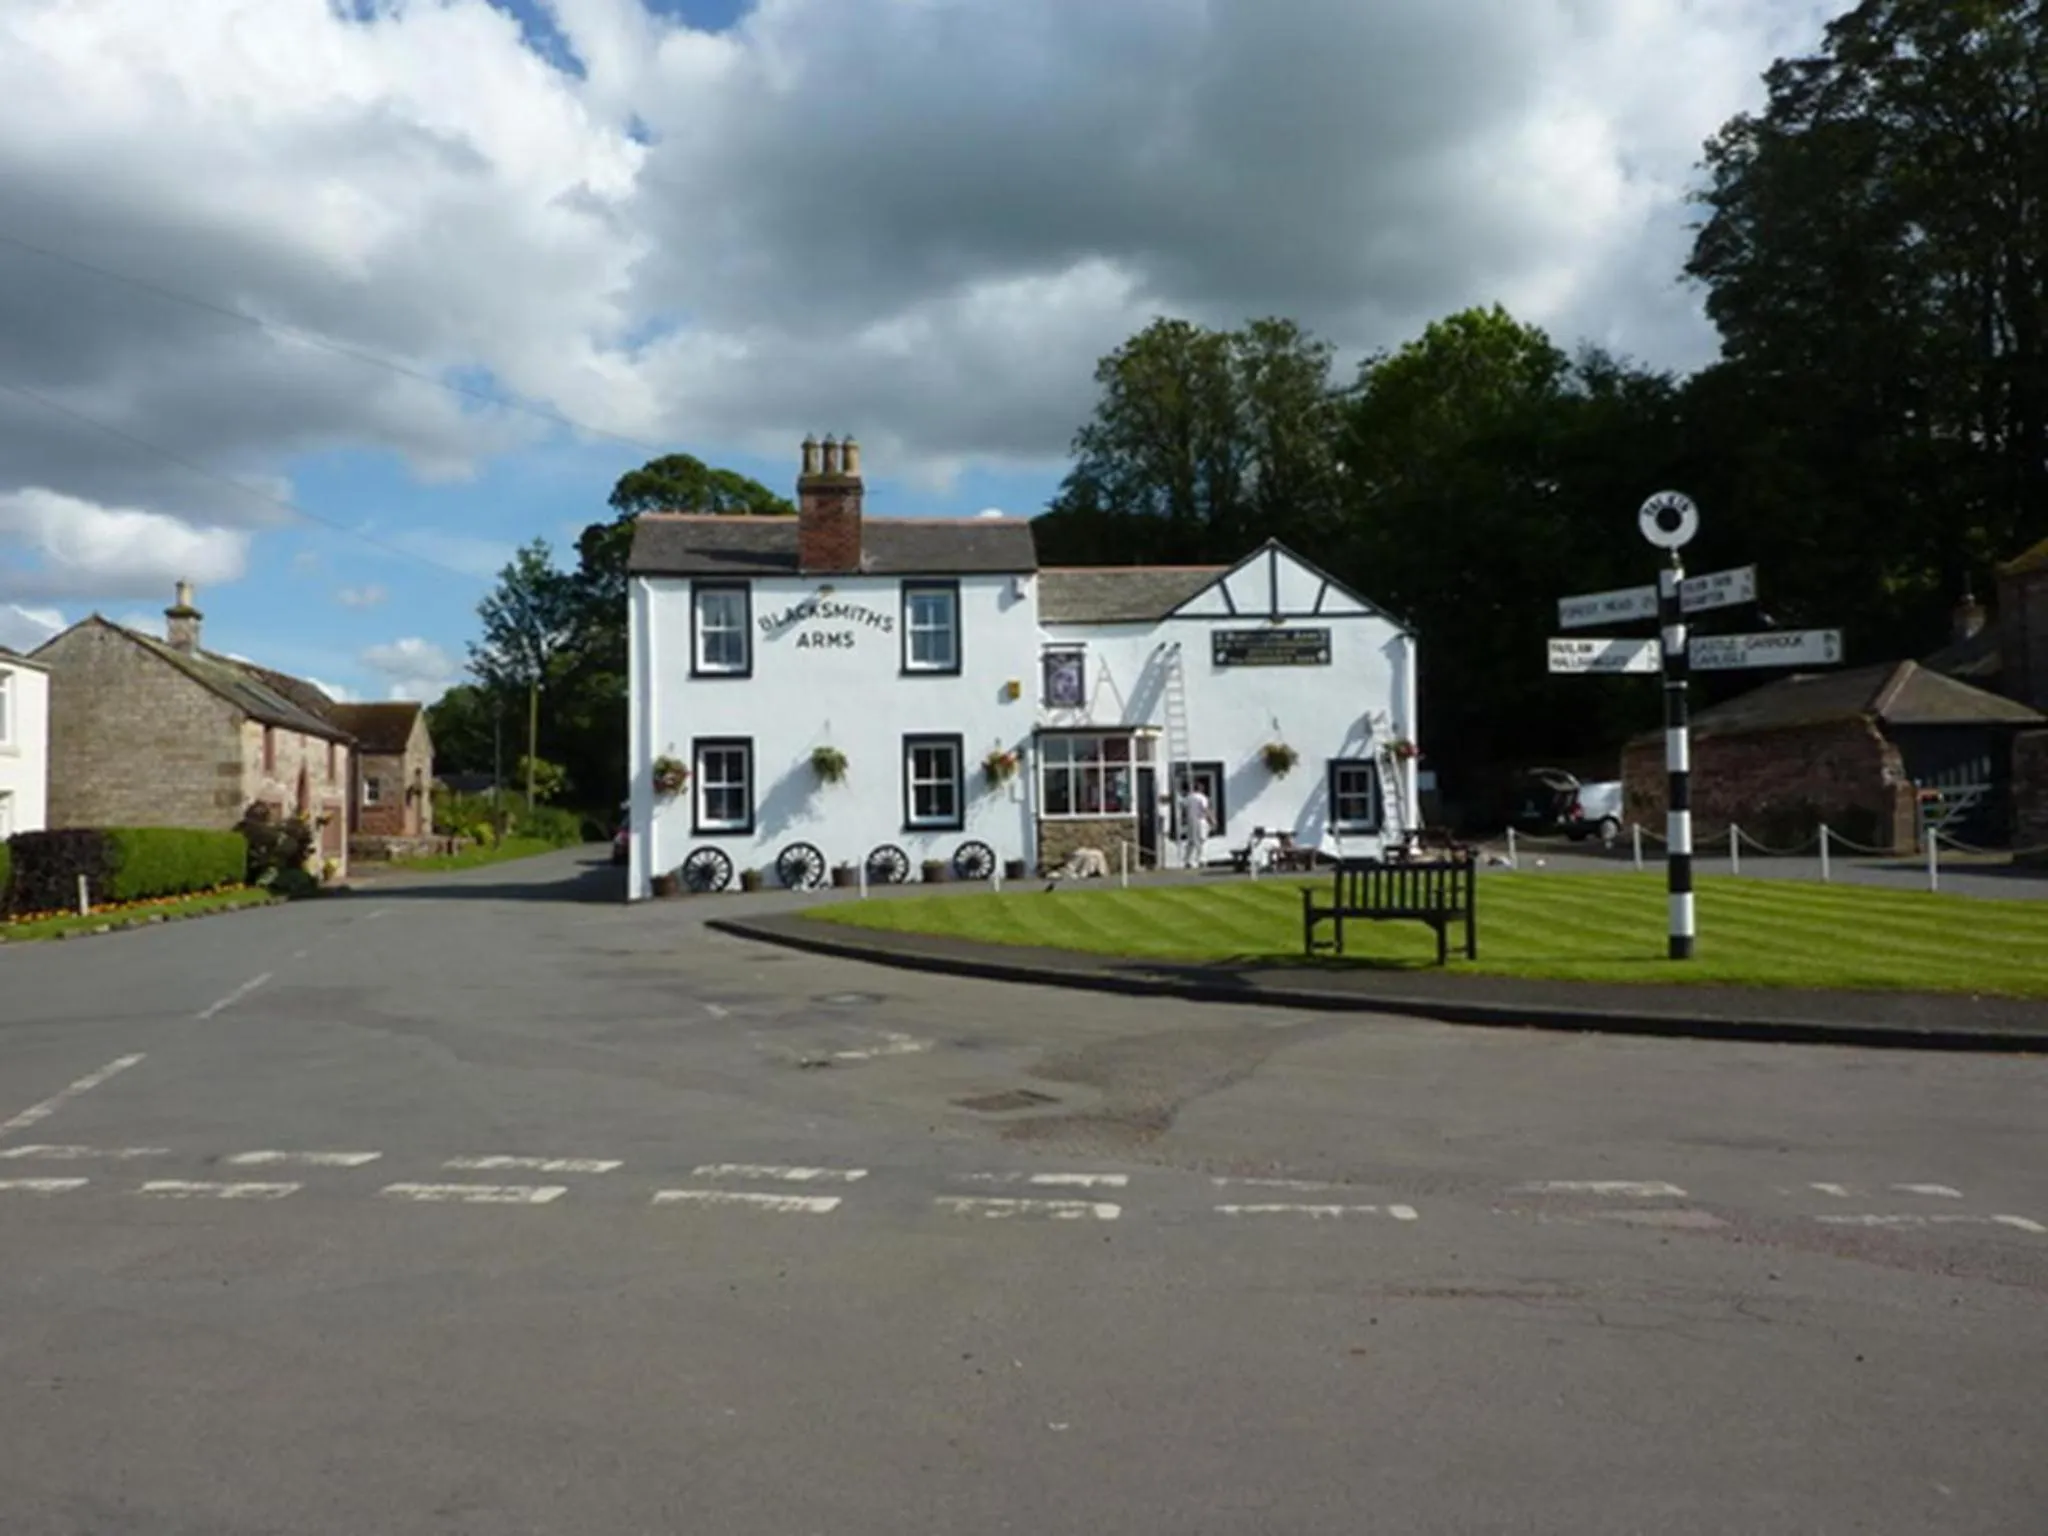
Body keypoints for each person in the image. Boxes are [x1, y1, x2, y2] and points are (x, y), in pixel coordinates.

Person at [1178, 778, 1213, 869]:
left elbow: (1182, 806)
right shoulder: (1202, 798)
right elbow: (1205, 809)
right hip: (1200, 820)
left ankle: (1187, 861)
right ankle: (1201, 860)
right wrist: (1212, 819)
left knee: (1191, 841)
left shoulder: (1189, 797)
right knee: (1201, 840)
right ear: (1201, 789)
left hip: (1190, 821)